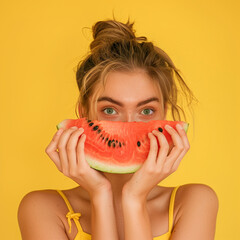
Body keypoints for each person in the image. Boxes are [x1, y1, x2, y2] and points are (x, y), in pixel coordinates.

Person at [17, 18, 219, 240]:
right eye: (110, 110)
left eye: (147, 111)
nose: (128, 126)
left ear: (164, 114)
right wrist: (100, 195)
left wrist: (134, 199)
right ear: (83, 113)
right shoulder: (43, 209)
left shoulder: (194, 202)